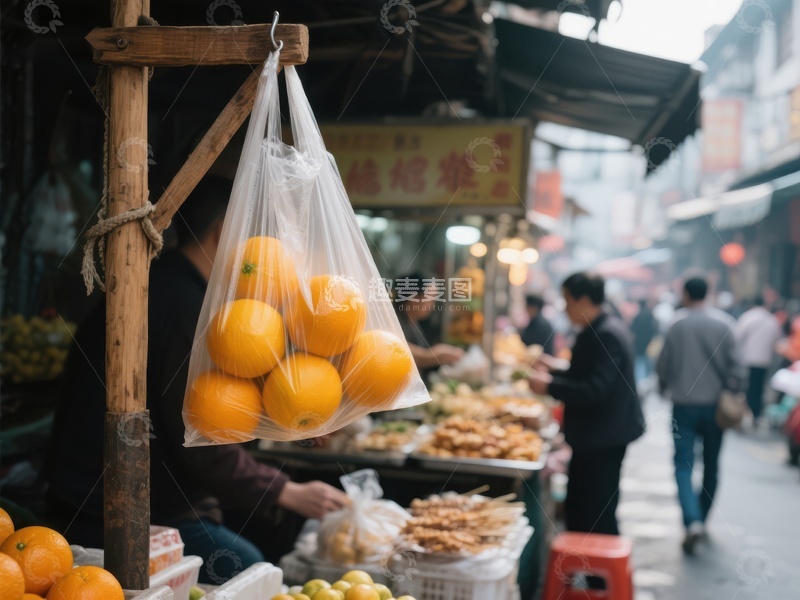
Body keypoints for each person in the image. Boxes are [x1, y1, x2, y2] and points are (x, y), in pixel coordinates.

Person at [46, 177, 348, 582]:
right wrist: (285, 491)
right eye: (261, 242)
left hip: (108, 495)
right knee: (251, 567)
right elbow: (201, 434)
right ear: (225, 232)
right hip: (111, 513)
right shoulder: (188, 309)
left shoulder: (164, 287)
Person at [528, 272, 644, 535]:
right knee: (581, 507)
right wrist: (556, 370)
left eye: (567, 301)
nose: (565, 308)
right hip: (594, 436)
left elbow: (595, 390)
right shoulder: (598, 329)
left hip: (603, 438)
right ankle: (584, 566)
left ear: (583, 300)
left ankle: (598, 573)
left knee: (596, 511)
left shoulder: (607, 333)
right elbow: (586, 374)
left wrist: (549, 385)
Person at [657, 276, 740, 555]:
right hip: (715, 406)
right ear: (709, 292)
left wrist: (663, 385)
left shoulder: (676, 323)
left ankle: (691, 520)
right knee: (712, 464)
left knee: (683, 463)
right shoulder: (724, 323)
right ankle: (701, 520)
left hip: (683, 404)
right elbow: (737, 368)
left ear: (684, 293)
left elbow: (663, 363)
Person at [393, 272, 464, 375]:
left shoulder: (413, 322)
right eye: (429, 299)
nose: (432, 305)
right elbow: (399, 350)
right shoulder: (395, 321)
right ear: (414, 298)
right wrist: (433, 355)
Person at [732, 296, 782, 422]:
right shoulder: (772, 319)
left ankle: (743, 413)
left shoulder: (747, 317)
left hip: (746, 359)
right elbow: (777, 340)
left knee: (745, 387)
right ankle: (756, 414)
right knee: (758, 388)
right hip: (764, 360)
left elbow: (737, 337)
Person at [631, 299, 658, 382]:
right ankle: (647, 380)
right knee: (648, 363)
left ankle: (640, 381)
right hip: (649, 342)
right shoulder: (650, 315)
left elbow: (632, 330)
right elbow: (654, 329)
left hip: (638, 343)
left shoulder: (637, 316)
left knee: (639, 363)